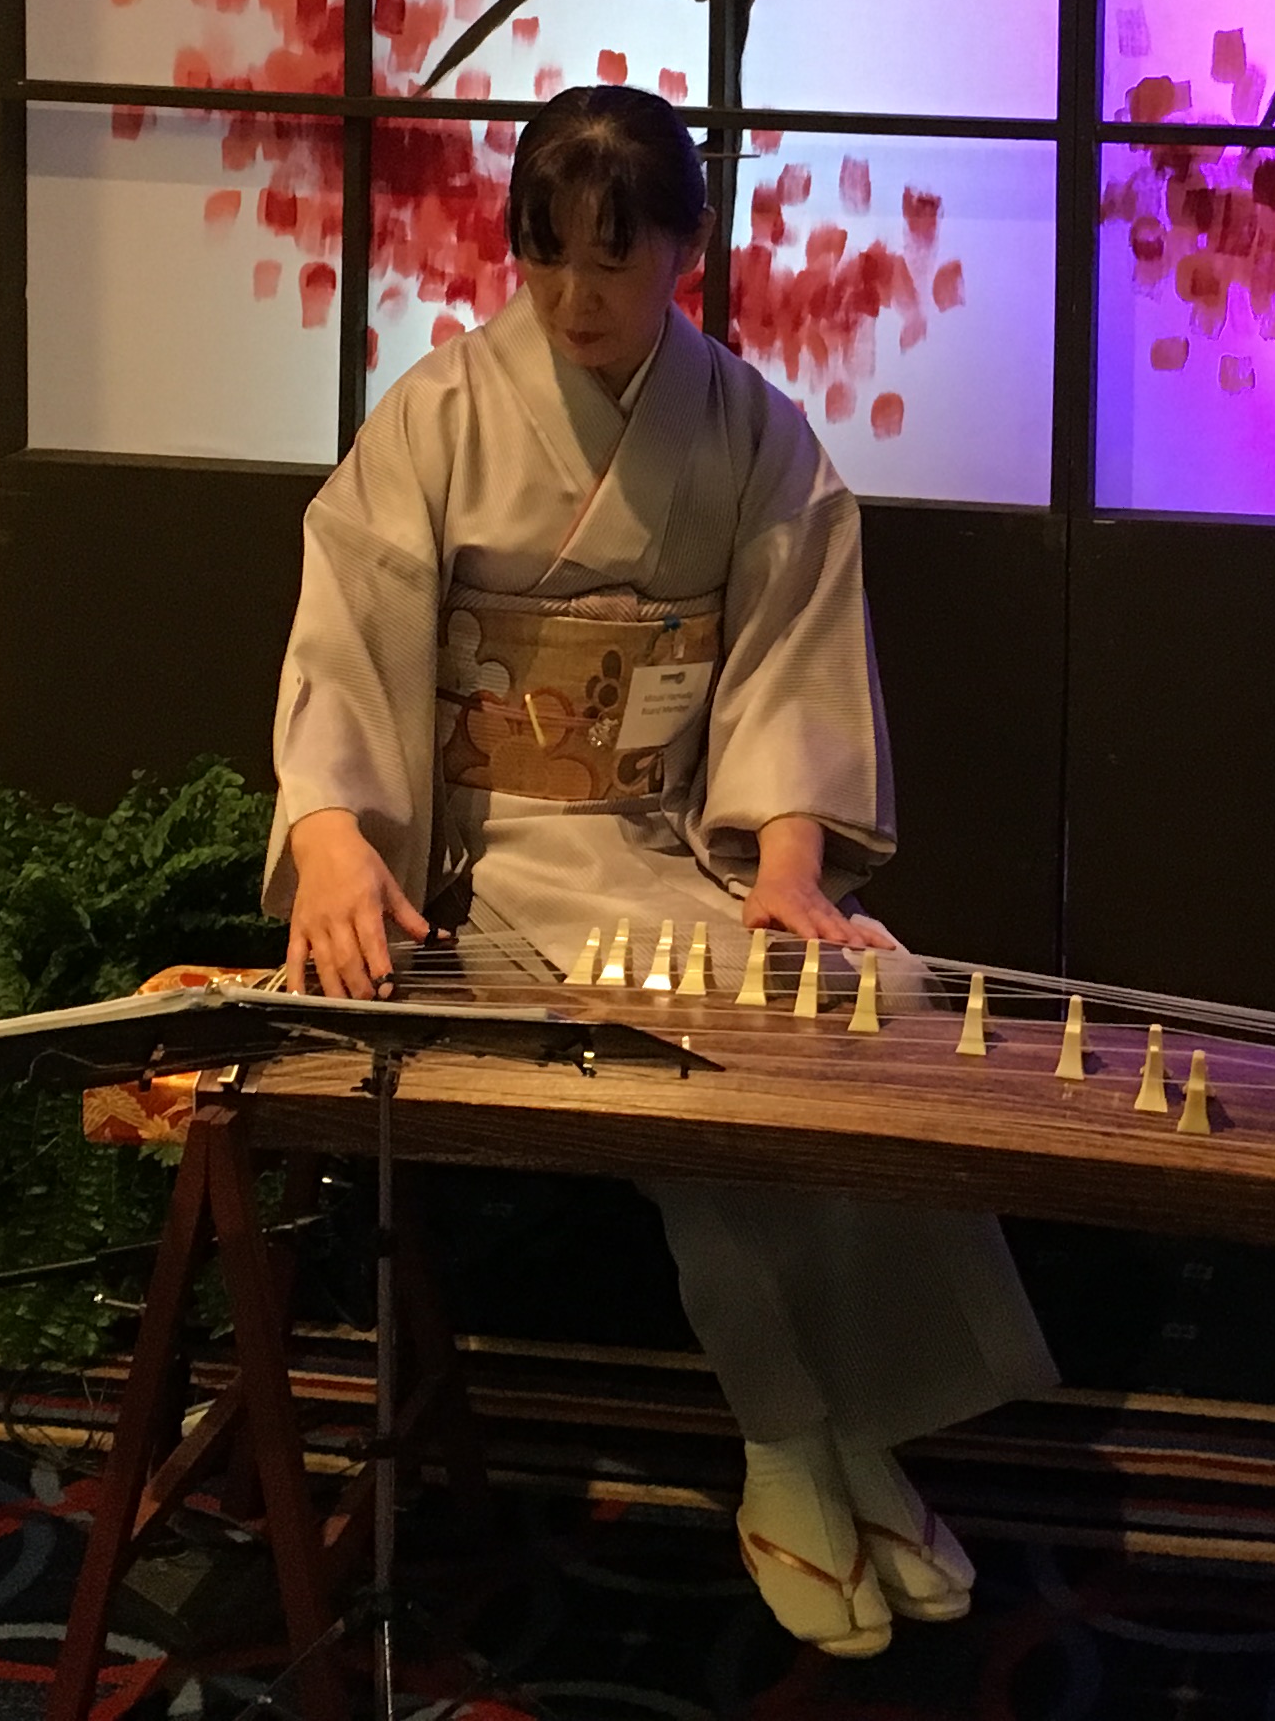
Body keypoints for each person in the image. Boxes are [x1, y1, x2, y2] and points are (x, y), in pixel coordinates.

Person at [265, 84, 1055, 1658]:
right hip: (499, 866)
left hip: (682, 848)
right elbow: (348, 634)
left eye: (613, 260)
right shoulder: (435, 418)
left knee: (876, 1006)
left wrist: (792, 861)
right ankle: (792, 1443)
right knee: (696, 1069)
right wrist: (335, 832)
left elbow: (791, 662)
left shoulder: (754, 431)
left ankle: (855, 1433)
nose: (575, 297)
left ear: (688, 248)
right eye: (546, 256)